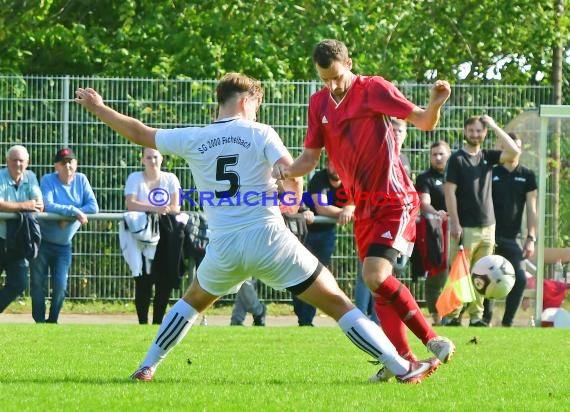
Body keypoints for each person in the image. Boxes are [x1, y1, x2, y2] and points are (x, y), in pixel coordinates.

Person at [75, 72, 442, 384]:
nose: (258, 108)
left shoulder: (195, 137)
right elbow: (292, 176)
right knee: (338, 303)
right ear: (247, 99)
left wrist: (98, 108)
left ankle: (147, 365)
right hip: (269, 239)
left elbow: (141, 132)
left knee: (191, 302)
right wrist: (291, 193)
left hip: (224, 246)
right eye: (258, 102)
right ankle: (400, 366)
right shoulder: (261, 133)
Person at [273, 39, 455, 382]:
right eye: (324, 78)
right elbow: (310, 159)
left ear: (350, 63)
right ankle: (405, 364)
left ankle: (432, 339)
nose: (332, 85)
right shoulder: (318, 104)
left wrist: (435, 103)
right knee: (377, 285)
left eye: (337, 77)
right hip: (364, 208)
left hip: (394, 199)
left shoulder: (374, 88)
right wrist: (283, 171)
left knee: (374, 275)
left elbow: (424, 121)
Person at [443, 115, 521, 326]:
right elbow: (449, 192)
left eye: (479, 131)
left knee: (483, 273)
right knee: (460, 272)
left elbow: (514, 152)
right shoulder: (457, 159)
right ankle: (453, 316)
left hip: (488, 226)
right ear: (465, 132)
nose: (475, 135)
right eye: (471, 131)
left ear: (484, 133)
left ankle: (477, 317)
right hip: (465, 227)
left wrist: (495, 126)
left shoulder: (487, 156)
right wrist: (455, 223)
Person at [30, 148, 99, 323]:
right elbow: (47, 205)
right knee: (38, 283)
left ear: (76, 164)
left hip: (63, 245)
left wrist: (68, 218)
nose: (67, 165)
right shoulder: (48, 180)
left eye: (71, 161)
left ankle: (53, 320)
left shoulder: (81, 180)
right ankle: (39, 321)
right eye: (63, 162)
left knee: (60, 285)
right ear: (56, 166)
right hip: (42, 242)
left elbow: (93, 206)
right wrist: (73, 211)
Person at [292, 158, 354, 326]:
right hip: (306, 233)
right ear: (327, 165)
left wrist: (349, 208)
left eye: (339, 164)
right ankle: (303, 318)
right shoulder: (319, 179)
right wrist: (344, 211)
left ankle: (307, 320)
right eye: (332, 164)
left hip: (326, 232)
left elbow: (355, 203)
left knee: (317, 275)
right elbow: (322, 208)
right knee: (301, 273)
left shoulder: (349, 181)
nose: (336, 168)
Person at [124, 147, 181, 324]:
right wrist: (155, 208)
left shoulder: (170, 179)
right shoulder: (135, 178)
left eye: (155, 157)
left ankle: (157, 322)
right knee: (142, 280)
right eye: (148, 157)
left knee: (163, 281)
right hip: (140, 237)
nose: (152, 161)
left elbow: (175, 207)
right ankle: (142, 322)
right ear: (142, 160)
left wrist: (158, 210)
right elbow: (130, 204)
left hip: (165, 236)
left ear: (162, 159)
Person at [487, 133, 537, 327]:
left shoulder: (527, 175)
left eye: (516, 147)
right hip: (488, 235)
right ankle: (484, 319)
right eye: (508, 146)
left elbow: (532, 209)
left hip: (510, 238)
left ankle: (507, 322)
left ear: (520, 150)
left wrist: (531, 237)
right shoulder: (491, 172)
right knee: (484, 275)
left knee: (520, 278)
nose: (512, 150)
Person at [0, 145, 44, 313]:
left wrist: (10, 207)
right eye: (14, 160)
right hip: (0, 237)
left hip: (18, 241)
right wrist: (25, 205)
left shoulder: (30, 176)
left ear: (27, 162)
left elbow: (39, 205)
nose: (18, 164)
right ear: (7, 161)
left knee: (19, 283)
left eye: (21, 160)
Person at [414, 141, 451, 326]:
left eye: (441, 154)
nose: (438, 157)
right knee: (436, 274)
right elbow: (424, 202)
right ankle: (437, 317)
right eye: (434, 154)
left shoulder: (456, 175)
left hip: (458, 229)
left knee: (459, 274)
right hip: (436, 232)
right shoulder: (425, 178)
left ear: (449, 154)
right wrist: (437, 214)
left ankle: (456, 317)